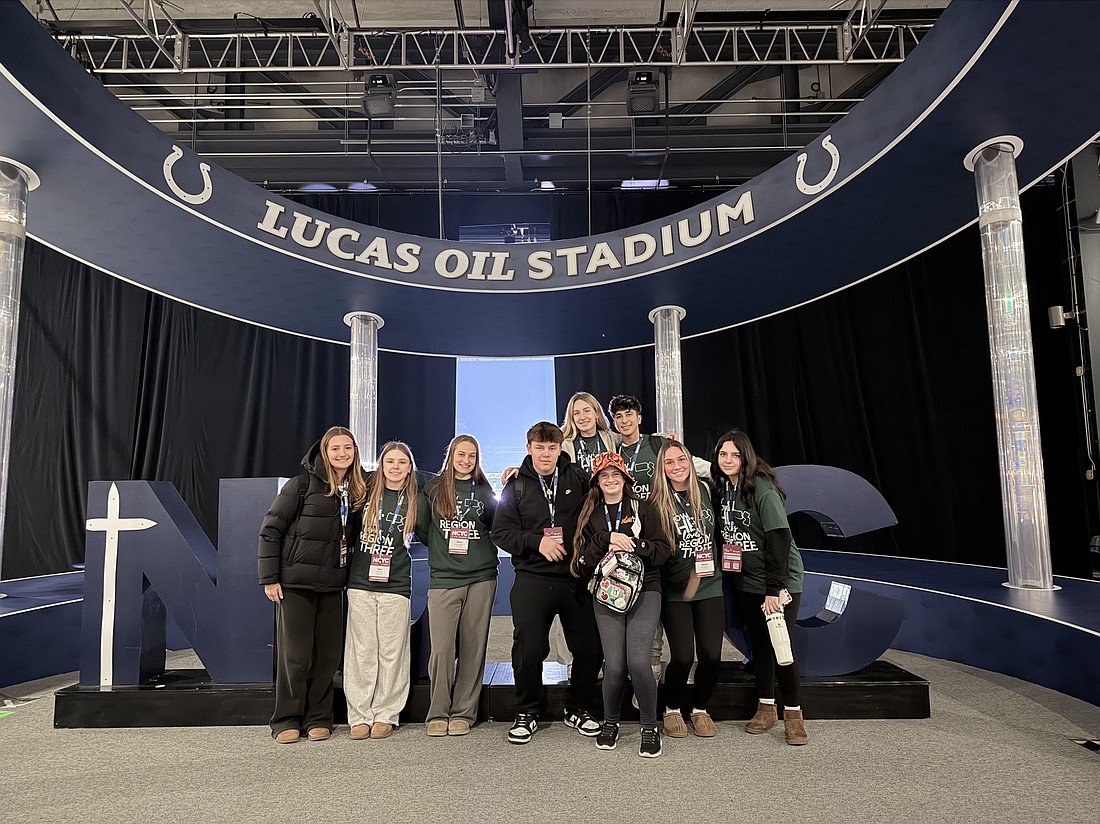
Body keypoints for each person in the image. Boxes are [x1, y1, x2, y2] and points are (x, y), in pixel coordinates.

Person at [491, 421, 603, 745]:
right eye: (539, 447)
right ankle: (527, 711)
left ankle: (578, 708)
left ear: (560, 448)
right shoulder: (517, 484)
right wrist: (536, 541)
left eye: (552, 447)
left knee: (589, 647)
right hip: (532, 576)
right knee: (528, 648)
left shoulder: (578, 478)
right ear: (529, 448)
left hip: (573, 577)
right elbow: (501, 532)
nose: (546, 453)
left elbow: (601, 504)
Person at [258, 426, 366, 744]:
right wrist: (270, 578)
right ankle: (286, 718)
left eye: (348, 448)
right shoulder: (301, 485)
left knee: (328, 655)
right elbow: (270, 529)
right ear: (323, 452)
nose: (342, 454)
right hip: (295, 585)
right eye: (335, 448)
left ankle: (319, 717)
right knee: (295, 655)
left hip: (333, 585)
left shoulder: (357, 490)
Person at [572, 452, 671, 757]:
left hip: (645, 590)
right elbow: (582, 563)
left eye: (616, 476)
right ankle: (611, 723)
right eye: (604, 476)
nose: (611, 481)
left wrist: (635, 544)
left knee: (638, 662)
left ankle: (650, 727)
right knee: (614, 666)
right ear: (597, 482)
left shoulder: (643, 509)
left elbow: (664, 551)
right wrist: (604, 539)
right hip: (607, 594)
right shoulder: (591, 514)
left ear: (625, 479)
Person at [712, 430, 808, 745]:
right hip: (747, 581)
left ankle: (794, 715)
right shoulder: (724, 488)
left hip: (777, 582)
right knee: (760, 648)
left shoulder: (762, 490)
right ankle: (766, 708)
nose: (727, 460)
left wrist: (774, 588)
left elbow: (780, 539)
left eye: (734, 455)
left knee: (782, 648)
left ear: (746, 458)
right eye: (722, 454)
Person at [416, 435, 498, 737]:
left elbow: (494, 526)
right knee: (441, 650)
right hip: (444, 580)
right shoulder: (434, 488)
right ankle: (438, 710)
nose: (466, 460)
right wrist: (445, 550)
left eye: (472, 456)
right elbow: (424, 530)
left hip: (481, 578)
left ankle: (464, 711)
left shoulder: (484, 491)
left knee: (473, 648)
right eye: (461, 455)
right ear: (451, 455)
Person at [344, 441, 420, 741]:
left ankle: (387, 713)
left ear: (409, 467)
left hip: (396, 585)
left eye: (402, 462)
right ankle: (359, 714)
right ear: (381, 464)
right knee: (362, 651)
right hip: (361, 583)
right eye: (390, 461)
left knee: (392, 652)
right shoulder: (363, 494)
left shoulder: (416, 500)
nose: (396, 467)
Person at [650, 440, 723, 740]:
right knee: (682, 656)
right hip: (676, 589)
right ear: (662, 468)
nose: (677, 466)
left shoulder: (705, 491)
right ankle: (671, 708)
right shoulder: (656, 502)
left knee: (711, 656)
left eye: (682, 459)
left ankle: (700, 709)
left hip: (709, 585)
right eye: (669, 462)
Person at [560, 391, 620, 476]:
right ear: (572, 418)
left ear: (596, 413)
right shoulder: (564, 444)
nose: (582, 417)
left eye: (587, 411)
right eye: (576, 413)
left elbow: (630, 439)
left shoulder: (610, 437)